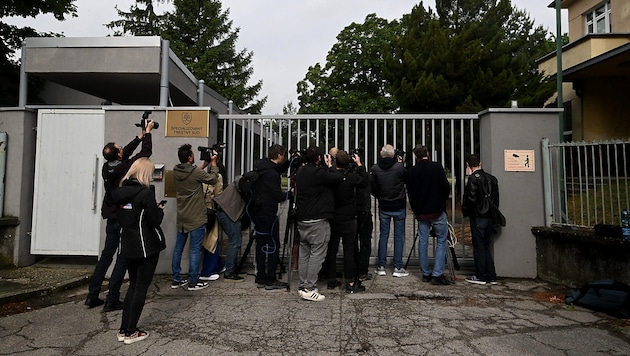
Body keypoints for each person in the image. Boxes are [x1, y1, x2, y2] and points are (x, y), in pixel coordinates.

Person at [85, 117, 154, 311]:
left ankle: (92, 295)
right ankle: (112, 299)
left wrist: (140, 135)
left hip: (110, 215)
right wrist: (148, 134)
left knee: (107, 255)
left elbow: (126, 151)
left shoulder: (108, 166)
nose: (123, 149)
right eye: (120, 148)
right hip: (124, 216)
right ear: (119, 153)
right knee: (123, 257)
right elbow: (145, 153)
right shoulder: (125, 167)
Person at [111, 157, 166, 344]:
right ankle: (132, 331)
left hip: (127, 244)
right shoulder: (145, 193)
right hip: (145, 245)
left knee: (133, 286)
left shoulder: (119, 193)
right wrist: (160, 210)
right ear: (145, 173)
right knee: (140, 287)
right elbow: (154, 220)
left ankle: (124, 329)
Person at [295, 146, 342, 301]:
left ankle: (303, 284)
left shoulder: (301, 172)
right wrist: (330, 166)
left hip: (302, 219)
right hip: (317, 220)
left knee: (305, 252)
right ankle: (310, 287)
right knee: (317, 253)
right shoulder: (320, 173)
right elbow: (336, 178)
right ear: (318, 158)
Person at [171, 144, 219, 291]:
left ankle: (176, 279)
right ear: (190, 157)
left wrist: (203, 164)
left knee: (178, 248)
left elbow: (193, 173)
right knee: (195, 249)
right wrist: (213, 164)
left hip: (182, 217)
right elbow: (213, 179)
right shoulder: (195, 172)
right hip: (196, 217)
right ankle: (193, 281)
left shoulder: (176, 170)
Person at [324, 150, 368, 293]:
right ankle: (350, 281)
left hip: (334, 216)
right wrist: (360, 164)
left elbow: (327, 175)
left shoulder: (332, 176)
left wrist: (329, 166)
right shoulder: (351, 177)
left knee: (332, 249)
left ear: (335, 161)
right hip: (348, 217)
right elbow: (365, 181)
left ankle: (331, 279)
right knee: (349, 251)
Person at [406, 145, 451, 285]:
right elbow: (445, 186)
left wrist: (415, 209)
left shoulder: (412, 171)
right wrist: (442, 201)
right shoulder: (437, 167)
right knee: (442, 241)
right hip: (437, 210)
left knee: (423, 241)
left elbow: (411, 193)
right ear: (428, 154)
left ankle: (425, 273)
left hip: (421, 212)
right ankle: (438, 274)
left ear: (415, 156)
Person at [249, 144, 290, 290]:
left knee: (260, 244)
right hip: (268, 212)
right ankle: (271, 279)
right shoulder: (272, 175)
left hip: (257, 211)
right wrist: (289, 194)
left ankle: (260, 276)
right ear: (279, 155)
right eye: (283, 156)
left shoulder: (261, 168)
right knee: (273, 244)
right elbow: (277, 196)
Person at [371, 144, 409, 278]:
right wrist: (400, 163)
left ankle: (381, 265)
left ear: (381, 154)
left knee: (383, 235)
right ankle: (398, 266)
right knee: (398, 236)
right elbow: (406, 180)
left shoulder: (375, 168)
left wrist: (380, 196)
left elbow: (373, 187)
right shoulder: (399, 167)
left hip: (384, 206)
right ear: (393, 155)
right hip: (398, 205)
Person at [462, 154, 498, 285]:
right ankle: (491, 275)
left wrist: (466, 211)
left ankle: (481, 275)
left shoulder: (473, 179)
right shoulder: (492, 178)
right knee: (486, 246)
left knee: (478, 247)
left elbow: (471, 199)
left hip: (478, 216)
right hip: (489, 217)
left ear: (468, 165)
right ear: (480, 163)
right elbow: (496, 200)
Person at [213, 175, 247, 282]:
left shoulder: (240, 181)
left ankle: (231, 268)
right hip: (227, 213)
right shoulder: (244, 185)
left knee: (236, 241)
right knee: (235, 242)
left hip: (225, 211)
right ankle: (229, 272)